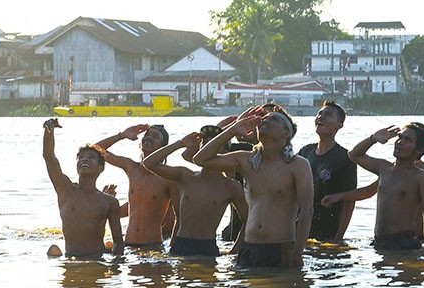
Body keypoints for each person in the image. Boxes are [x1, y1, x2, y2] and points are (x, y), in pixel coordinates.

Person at [193, 105, 313, 268]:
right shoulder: (247, 160)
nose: (265, 121)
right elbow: (200, 159)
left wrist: (298, 253)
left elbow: (307, 210)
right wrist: (233, 129)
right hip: (249, 248)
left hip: (280, 247)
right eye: (264, 119)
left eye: (274, 119)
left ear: (286, 134)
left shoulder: (297, 165)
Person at [142, 127, 248, 257]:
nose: (206, 150)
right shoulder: (186, 176)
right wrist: (180, 143)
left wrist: (235, 250)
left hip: (207, 247)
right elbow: (148, 163)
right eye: (204, 145)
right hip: (180, 244)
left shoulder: (230, 186)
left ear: (224, 150)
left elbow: (247, 221)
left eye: (211, 145)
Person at [348, 123, 424, 253]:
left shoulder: (421, 177)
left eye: (407, 140)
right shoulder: (384, 168)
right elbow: (354, 155)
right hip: (379, 242)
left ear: (418, 150)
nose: (400, 142)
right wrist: (373, 139)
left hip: (404, 243)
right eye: (400, 137)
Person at [40, 118, 124, 257]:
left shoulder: (109, 202)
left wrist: (115, 269)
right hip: (70, 258)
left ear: (100, 168)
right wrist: (49, 132)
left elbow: (119, 242)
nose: (84, 159)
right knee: (53, 250)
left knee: (108, 245)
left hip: (97, 260)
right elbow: (49, 157)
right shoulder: (65, 189)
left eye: (91, 157)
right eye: (80, 158)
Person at [94, 123, 179, 247]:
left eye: (155, 136)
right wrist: (122, 135)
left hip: (153, 246)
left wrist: (173, 247)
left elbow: (180, 218)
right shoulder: (131, 168)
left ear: (163, 147)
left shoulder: (168, 178)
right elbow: (96, 149)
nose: (149, 138)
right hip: (128, 244)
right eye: (147, 134)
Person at [298, 100, 357, 241]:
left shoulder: (345, 158)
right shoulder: (305, 152)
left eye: (328, 115)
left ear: (339, 125)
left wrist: (338, 237)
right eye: (319, 113)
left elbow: (350, 200)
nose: (321, 117)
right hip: (301, 226)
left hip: (328, 230)